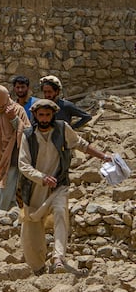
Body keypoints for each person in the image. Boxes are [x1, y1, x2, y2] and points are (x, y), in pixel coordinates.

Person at [18, 99, 112, 274]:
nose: (45, 118)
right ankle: (38, 267)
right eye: (41, 115)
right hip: (34, 189)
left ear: (53, 114)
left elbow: (81, 145)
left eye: (48, 115)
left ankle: (58, 258)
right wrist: (42, 177)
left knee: (61, 212)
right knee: (32, 228)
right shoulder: (27, 136)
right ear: (35, 116)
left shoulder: (62, 129)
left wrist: (103, 156)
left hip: (59, 185)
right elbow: (23, 165)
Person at [0, 84, 31, 211]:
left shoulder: (17, 110)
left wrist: (14, 119)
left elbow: (27, 132)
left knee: (4, 189)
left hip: (9, 156)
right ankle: (6, 214)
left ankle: (0, 217)